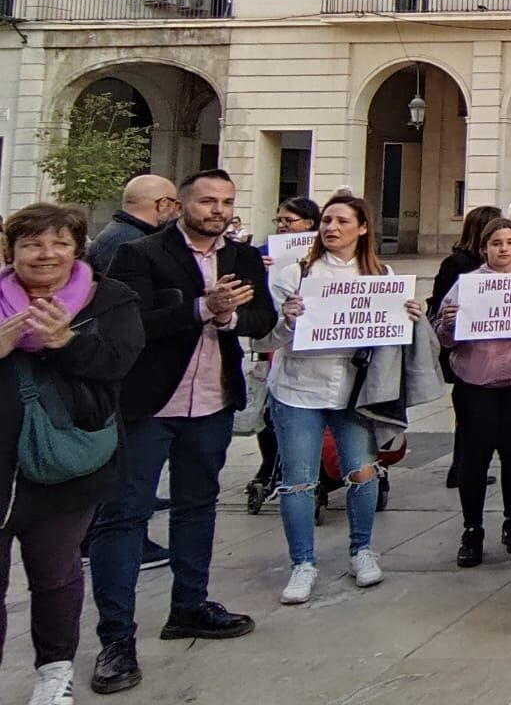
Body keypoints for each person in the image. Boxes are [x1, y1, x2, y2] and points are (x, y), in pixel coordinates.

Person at [90, 169, 274, 696]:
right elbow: (131, 324)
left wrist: (229, 321)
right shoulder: (140, 255)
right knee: (124, 516)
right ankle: (117, 638)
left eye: (226, 202)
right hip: (150, 405)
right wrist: (201, 308)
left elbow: (260, 318)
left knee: (199, 507)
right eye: (207, 201)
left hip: (211, 403)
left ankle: (190, 606)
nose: (217, 210)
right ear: (179, 205)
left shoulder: (240, 257)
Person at [0, 204, 144, 705]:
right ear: (11, 252)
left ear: (77, 248)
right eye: (31, 244)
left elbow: (117, 365)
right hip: (1, 467)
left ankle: (54, 670)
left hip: (67, 465)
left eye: (59, 242)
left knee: (56, 574)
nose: (46, 254)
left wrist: (65, 341)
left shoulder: (109, 299)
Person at [266, 195, 431, 606]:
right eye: (326, 220)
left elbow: (391, 335)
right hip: (298, 388)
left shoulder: (381, 274)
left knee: (362, 471)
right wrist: (287, 320)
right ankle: (302, 563)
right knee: (299, 481)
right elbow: (264, 339)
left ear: (362, 228)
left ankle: (361, 550)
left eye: (342, 221)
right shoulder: (293, 275)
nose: (331, 228)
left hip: (355, 392)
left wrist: (409, 315)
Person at [432, 216, 511, 568]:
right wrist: (447, 325)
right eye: (496, 243)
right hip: (474, 383)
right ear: (485, 248)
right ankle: (473, 527)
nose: (503, 249)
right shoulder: (468, 285)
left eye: (509, 242)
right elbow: (443, 336)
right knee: (474, 458)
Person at [247, 198, 322, 512]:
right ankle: (271, 464)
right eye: (279, 219)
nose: (281, 225)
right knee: (270, 413)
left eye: (289, 220)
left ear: (308, 223)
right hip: (280, 343)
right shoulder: (265, 252)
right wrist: (255, 269)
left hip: (319, 349)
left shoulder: (327, 254)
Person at [426, 206, 499, 490]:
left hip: (491, 349)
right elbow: (441, 302)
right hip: (465, 347)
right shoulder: (457, 263)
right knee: (468, 414)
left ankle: (465, 465)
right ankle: (461, 466)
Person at [85, 175, 178, 274]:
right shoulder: (127, 241)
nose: (176, 211)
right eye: (175, 204)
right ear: (163, 203)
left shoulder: (121, 234)